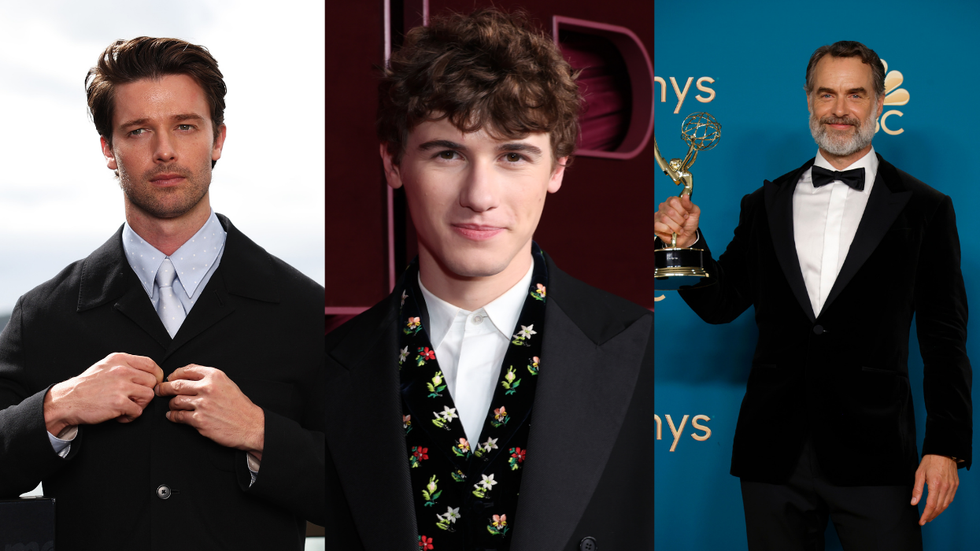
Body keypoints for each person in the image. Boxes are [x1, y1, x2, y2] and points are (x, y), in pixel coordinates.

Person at [324, 9, 653, 551]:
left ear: (557, 170)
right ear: (393, 163)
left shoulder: (643, 353)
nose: (480, 195)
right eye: (448, 153)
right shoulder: (329, 369)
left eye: (513, 156)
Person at [0, 37, 324, 549]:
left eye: (185, 126)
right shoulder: (41, 315)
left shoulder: (305, 312)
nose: (165, 150)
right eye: (138, 130)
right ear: (109, 148)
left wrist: (261, 433)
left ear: (218, 140)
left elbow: (366, 490)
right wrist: (56, 408)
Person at [654, 40, 972, 550]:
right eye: (826, 94)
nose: (840, 110)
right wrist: (688, 244)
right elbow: (721, 304)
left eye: (855, 94)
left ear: (879, 104)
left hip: (876, 454)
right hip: (772, 453)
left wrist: (946, 447)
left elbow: (945, 338)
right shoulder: (763, 203)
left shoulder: (926, 210)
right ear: (808, 100)